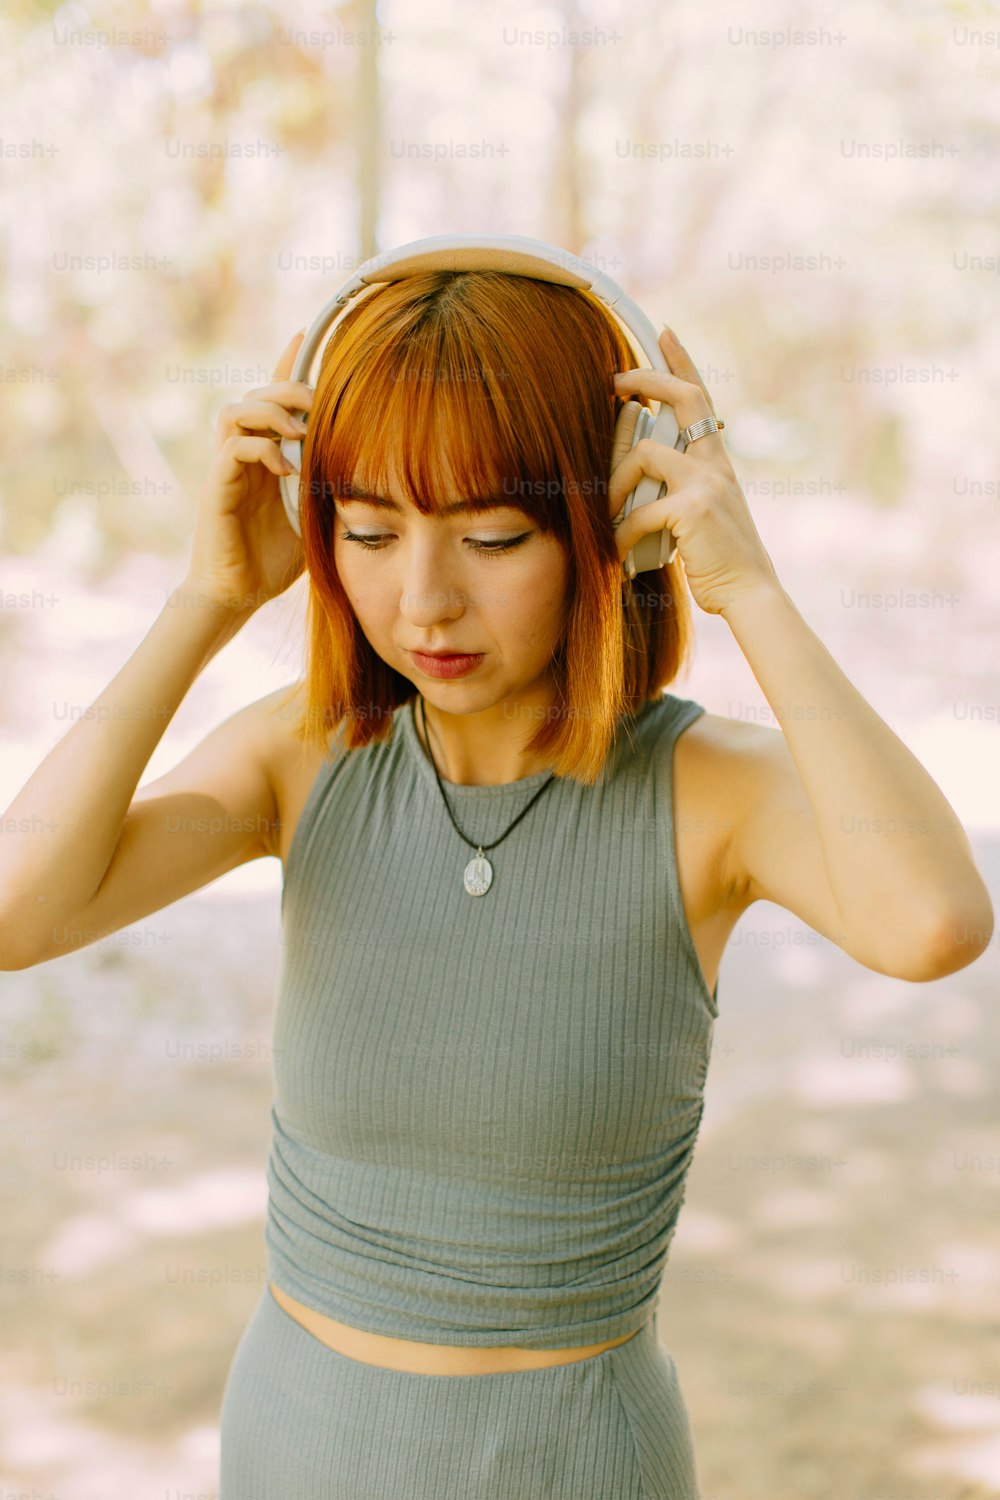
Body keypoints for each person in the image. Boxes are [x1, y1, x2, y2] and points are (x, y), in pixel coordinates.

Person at [1, 270, 993, 1499]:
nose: (422, 600)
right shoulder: (303, 758)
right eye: (367, 533)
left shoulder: (707, 793)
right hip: (297, 1446)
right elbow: (16, 913)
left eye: (491, 537)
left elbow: (933, 922)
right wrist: (208, 598)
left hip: (575, 1462)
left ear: (611, 519)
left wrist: (753, 593)